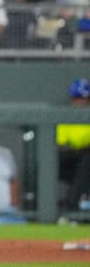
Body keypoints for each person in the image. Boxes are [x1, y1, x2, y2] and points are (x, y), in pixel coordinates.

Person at [57, 78, 90, 212]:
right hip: (69, 160)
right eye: (77, 97)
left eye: (83, 97)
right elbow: (61, 143)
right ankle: (73, 205)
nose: (80, 101)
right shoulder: (65, 116)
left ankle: (72, 205)